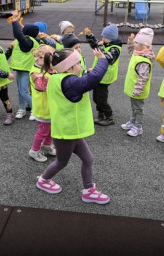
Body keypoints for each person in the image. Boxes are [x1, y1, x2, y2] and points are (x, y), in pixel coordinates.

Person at [36, 48, 111, 205]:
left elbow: (87, 78)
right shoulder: (69, 82)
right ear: (68, 67)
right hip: (66, 132)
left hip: (72, 130)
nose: (80, 64)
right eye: (78, 62)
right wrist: (103, 60)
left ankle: (89, 190)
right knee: (62, 162)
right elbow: (94, 79)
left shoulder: (60, 78)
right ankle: (43, 180)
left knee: (88, 159)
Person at [86, 24, 122, 126]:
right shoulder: (106, 45)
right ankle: (100, 114)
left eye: (104, 37)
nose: (102, 39)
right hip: (98, 75)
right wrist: (89, 36)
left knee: (102, 99)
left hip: (105, 77)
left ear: (110, 38)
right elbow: (95, 45)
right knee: (95, 98)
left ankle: (109, 116)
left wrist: (100, 55)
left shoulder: (115, 49)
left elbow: (108, 59)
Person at [121, 28, 155, 137]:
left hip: (137, 91)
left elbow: (143, 78)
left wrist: (137, 91)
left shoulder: (144, 61)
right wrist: (131, 41)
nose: (134, 44)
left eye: (136, 42)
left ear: (144, 46)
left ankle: (138, 126)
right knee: (134, 107)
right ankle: (133, 121)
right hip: (133, 88)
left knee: (138, 108)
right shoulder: (137, 53)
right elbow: (131, 49)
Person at [8, 9, 39, 120]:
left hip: (26, 69)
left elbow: (18, 33)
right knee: (20, 90)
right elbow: (22, 31)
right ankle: (22, 108)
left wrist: (15, 20)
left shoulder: (27, 41)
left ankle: (35, 110)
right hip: (20, 68)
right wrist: (20, 24)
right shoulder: (30, 40)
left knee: (23, 91)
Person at [29, 44, 56, 162]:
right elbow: (43, 86)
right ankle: (34, 151)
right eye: (50, 61)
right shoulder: (36, 73)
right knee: (43, 131)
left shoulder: (46, 69)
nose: (52, 64)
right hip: (43, 107)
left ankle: (47, 145)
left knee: (51, 129)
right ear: (39, 58)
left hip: (50, 107)